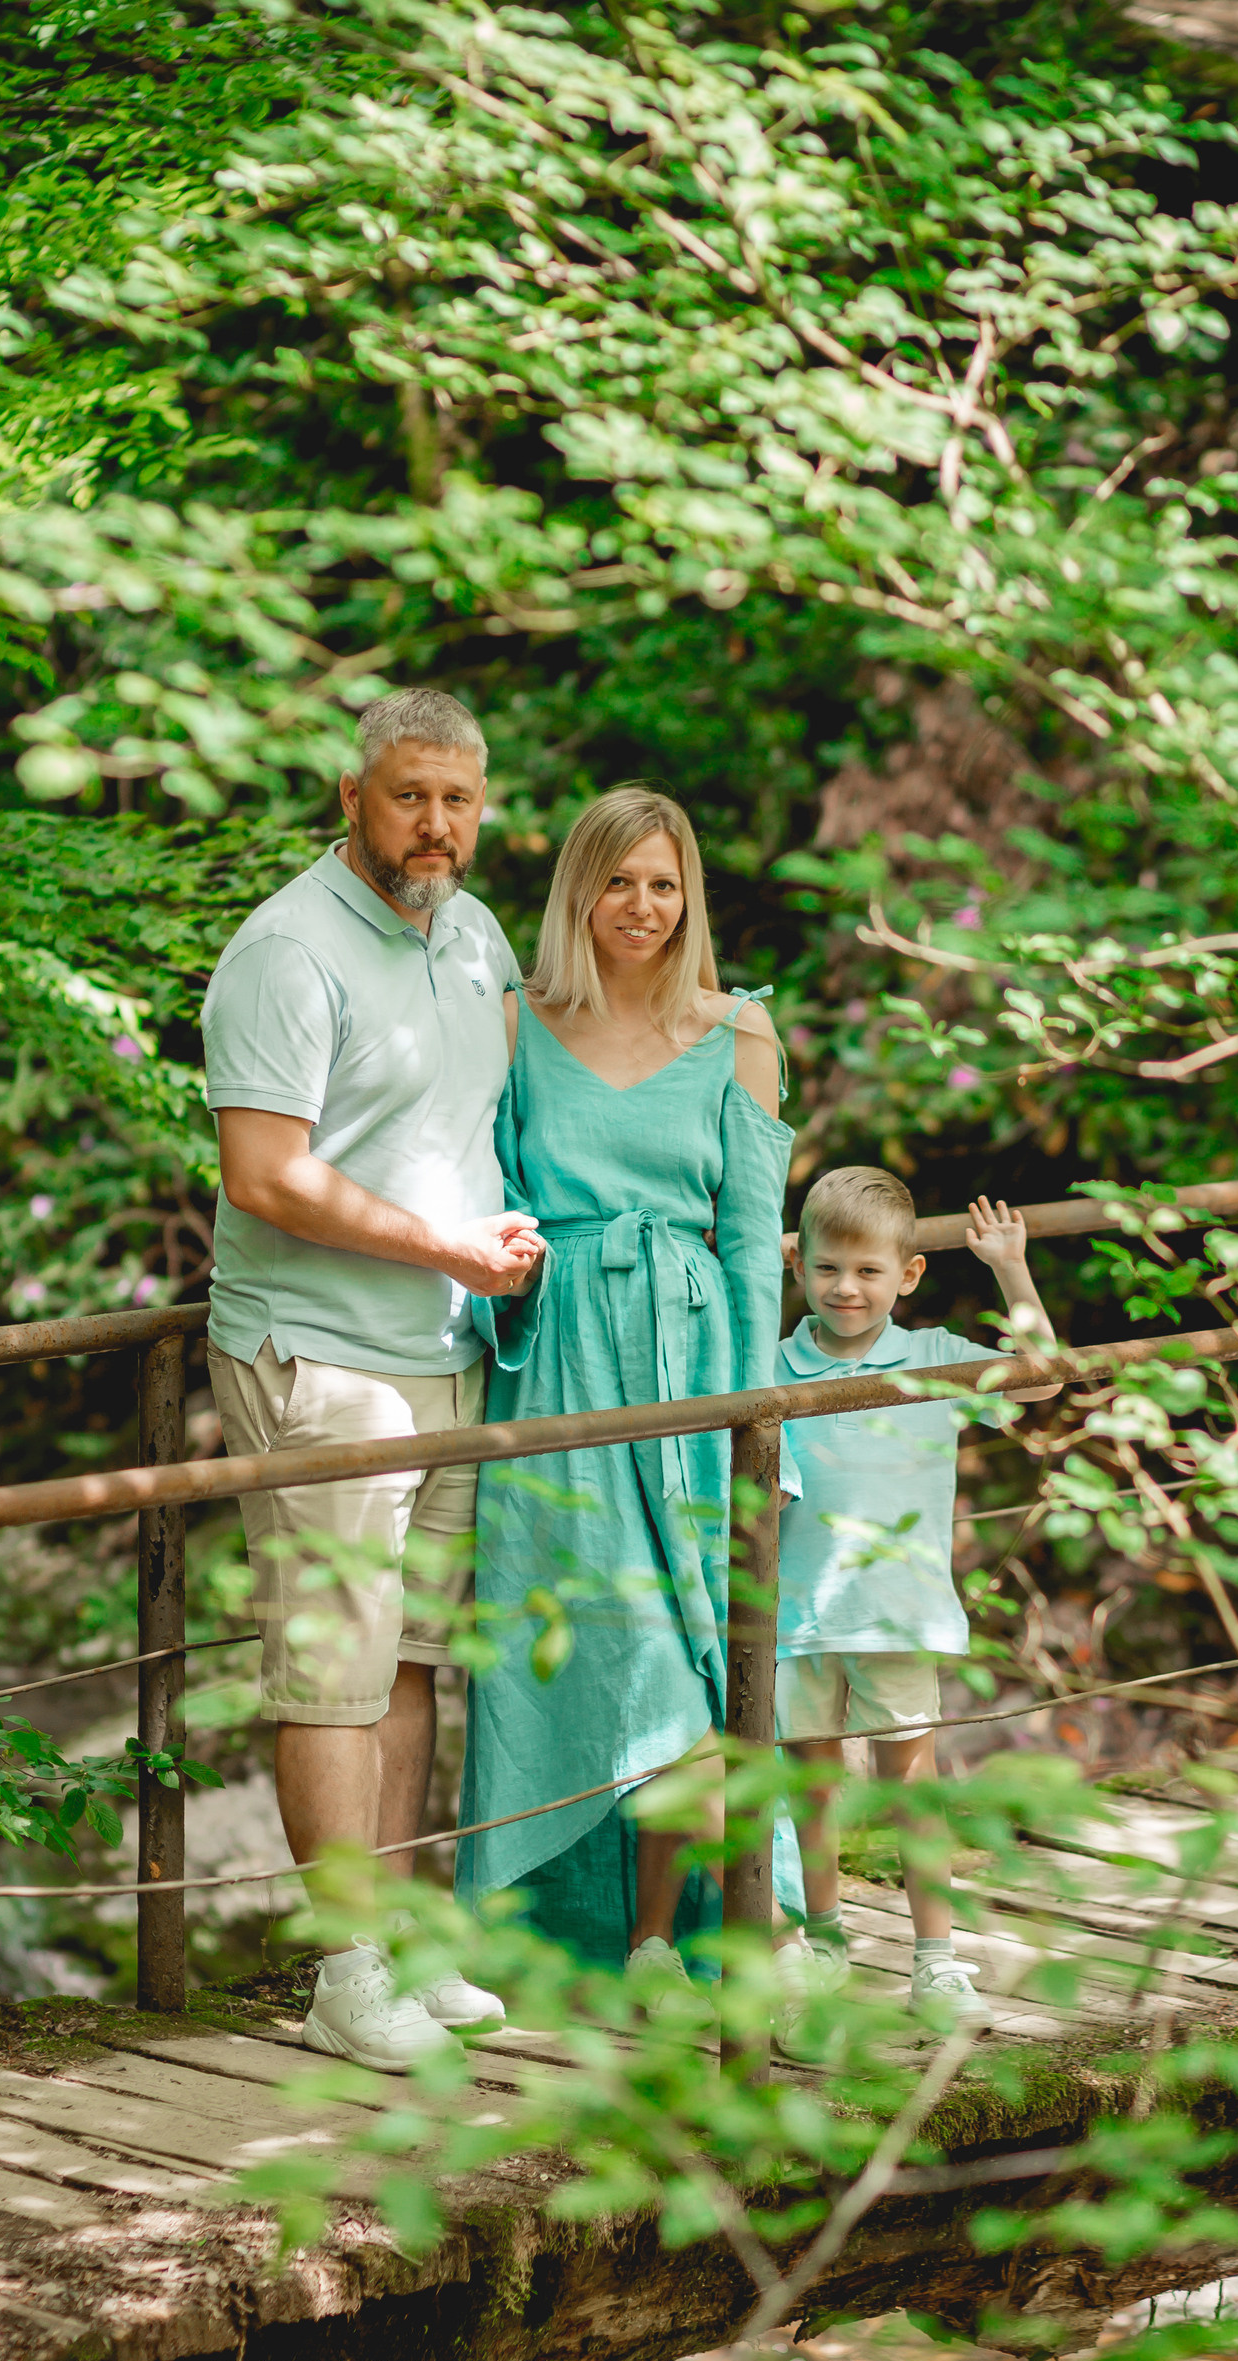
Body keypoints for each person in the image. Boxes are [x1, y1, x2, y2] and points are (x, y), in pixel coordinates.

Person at [201, 687, 540, 2072]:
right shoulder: (284, 952)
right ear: (352, 798)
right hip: (321, 1359)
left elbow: (505, 1102)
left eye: (456, 800)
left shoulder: (469, 933)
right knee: (329, 1671)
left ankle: (394, 1942)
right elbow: (263, 1175)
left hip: (444, 1352)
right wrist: (441, 1241)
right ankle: (343, 1975)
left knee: (407, 1662)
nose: (434, 826)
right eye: (407, 796)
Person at [457, 786, 804, 1994]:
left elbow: (756, 1237)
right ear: (577, 892)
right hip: (559, 1365)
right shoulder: (517, 1019)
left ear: (688, 895)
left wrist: (757, 1412)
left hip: (698, 1359)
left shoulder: (740, 1028)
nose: (642, 907)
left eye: (664, 884)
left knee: (709, 1647)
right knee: (593, 1649)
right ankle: (580, 1933)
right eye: (618, 882)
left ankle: (717, 1933)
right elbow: (482, 1195)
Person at [773, 1167, 1055, 2039]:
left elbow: (1040, 1379)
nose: (844, 1289)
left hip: (895, 1610)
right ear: (799, 1269)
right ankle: (822, 1937)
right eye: (826, 1269)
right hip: (794, 1617)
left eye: (865, 1271)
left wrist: (1010, 1268)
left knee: (909, 1788)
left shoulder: (932, 1358)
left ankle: (935, 1958)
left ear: (907, 1275)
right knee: (808, 1789)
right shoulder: (770, 1365)